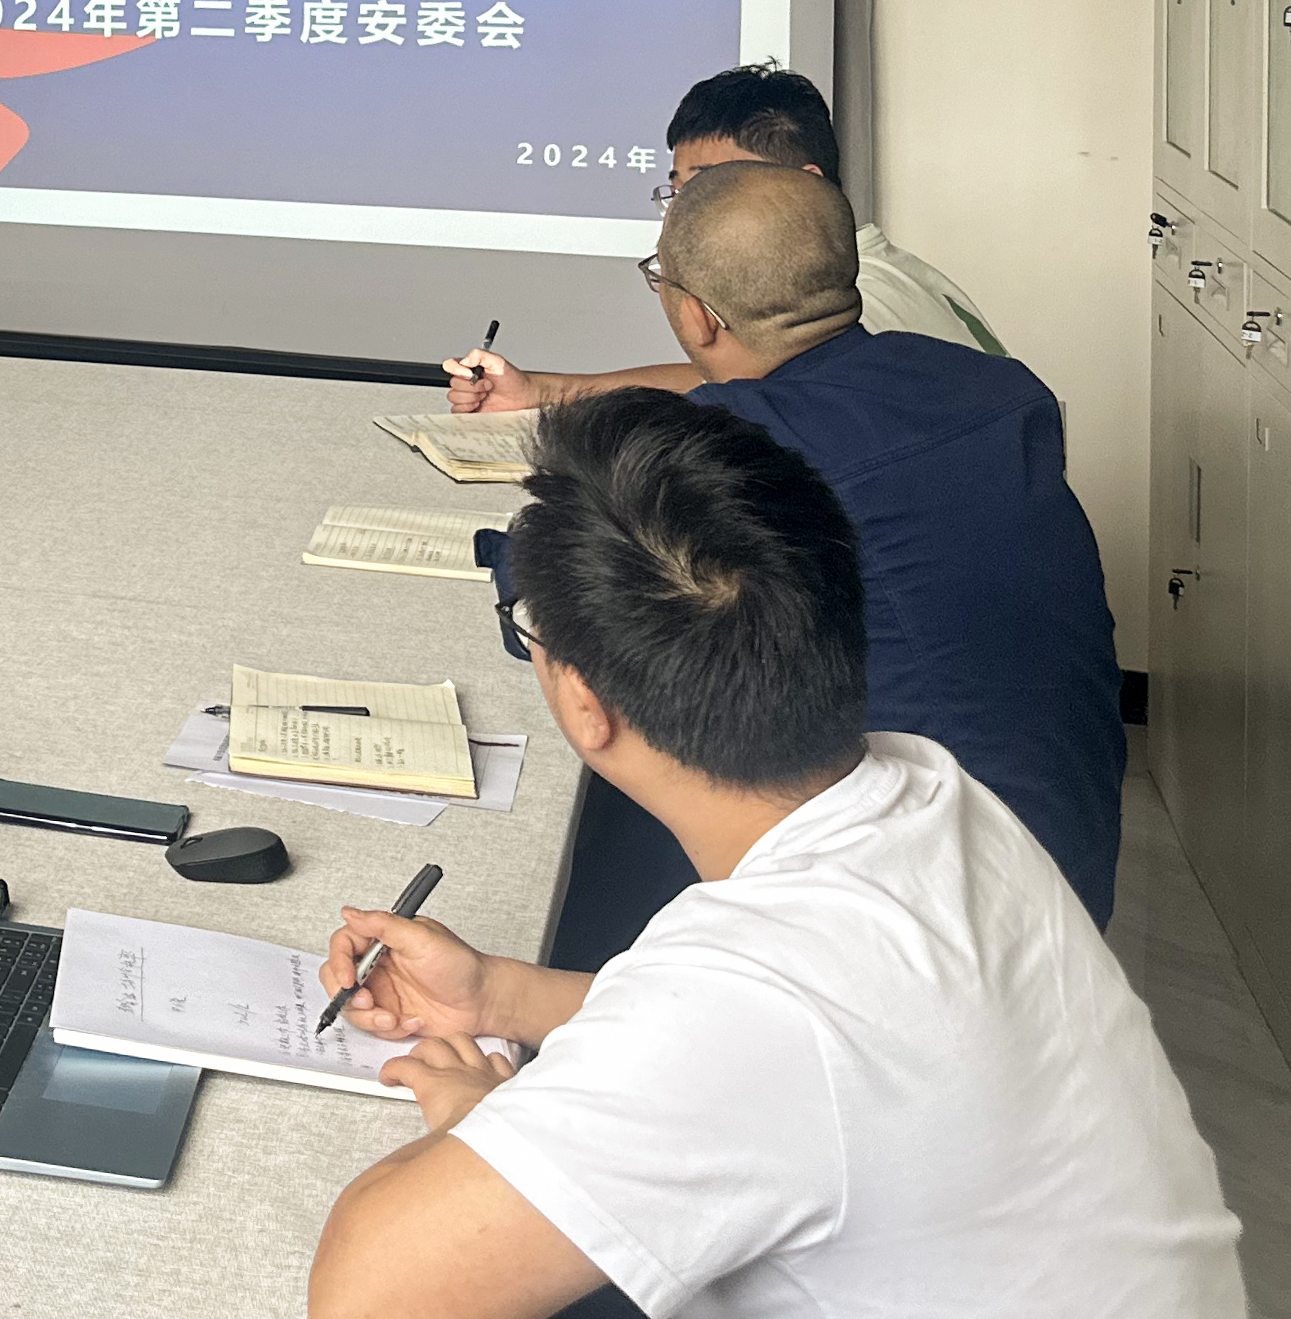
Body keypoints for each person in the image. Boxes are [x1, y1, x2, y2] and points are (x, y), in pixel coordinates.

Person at [307, 389, 1239, 1319]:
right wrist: (498, 995)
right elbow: (801, 1054)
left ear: (587, 704)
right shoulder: (933, 797)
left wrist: (490, 1126)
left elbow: (367, 1296)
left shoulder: (754, 997)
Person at [490, 163, 1125, 969]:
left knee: (623, 769)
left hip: (927, 916)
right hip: (1065, 852)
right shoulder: (988, 386)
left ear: (696, 315)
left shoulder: (746, 448)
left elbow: (567, 588)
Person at [445, 62, 1003, 414]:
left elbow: (736, 389)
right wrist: (543, 391)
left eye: (712, 185)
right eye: (677, 191)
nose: (685, 214)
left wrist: (552, 393)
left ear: (805, 183)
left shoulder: (864, 299)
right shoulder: (876, 270)